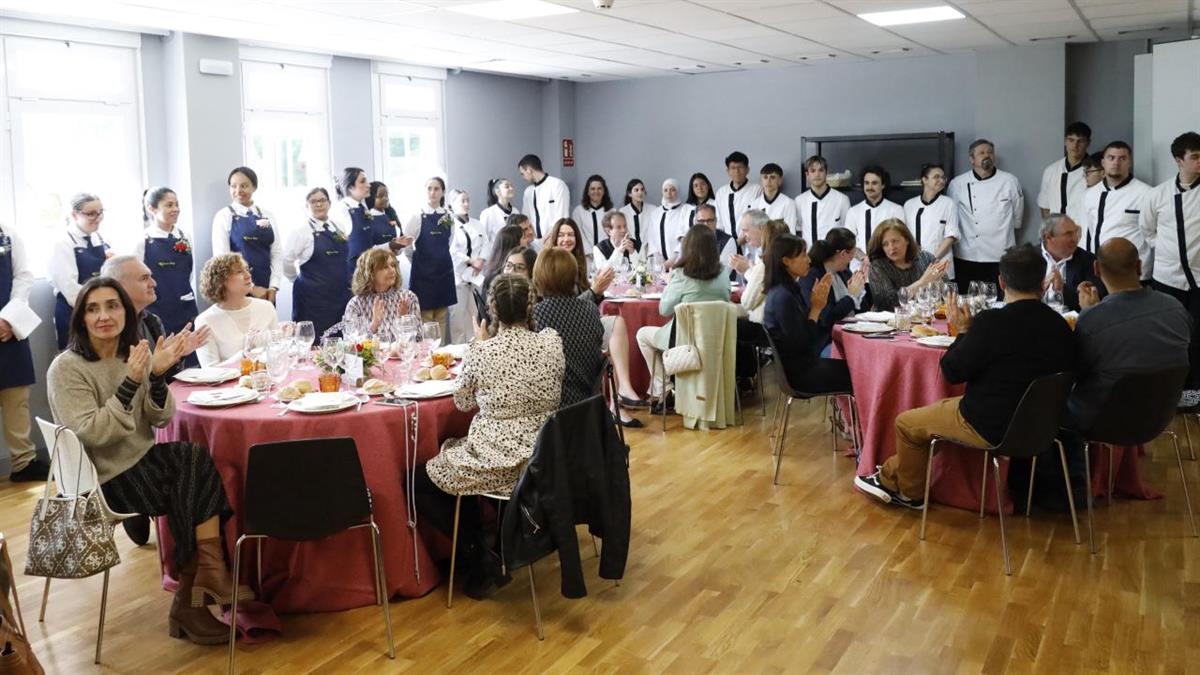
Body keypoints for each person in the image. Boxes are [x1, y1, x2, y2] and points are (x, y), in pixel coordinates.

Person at [47, 277, 251, 645]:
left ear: (126, 312)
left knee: (193, 463)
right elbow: (92, 434)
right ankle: (199, 585)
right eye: (93, 309)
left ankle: (201, 581)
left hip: (139, 461)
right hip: (102, 479)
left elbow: (160, 418)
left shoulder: (131, 355)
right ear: (81, 318)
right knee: (191, 472)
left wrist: (157, 376)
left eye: (112, 306)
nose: (104, 316)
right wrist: (131, 383)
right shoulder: (66, 369)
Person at [855, 244, 1075, 508]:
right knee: (934, 416)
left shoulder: (992, 322)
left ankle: (909, 494)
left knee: (907, 424)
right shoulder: (1060, 325)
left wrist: (962, 332)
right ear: (1042, 282)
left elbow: (951, 372)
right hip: (1044, 423)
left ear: (1001, 282)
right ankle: (889, 475)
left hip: (988, 423)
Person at [414, 273, 564, 599]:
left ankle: (477, 553)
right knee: (458, 461)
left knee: (419, 481)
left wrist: (479, 345)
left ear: (492, 310)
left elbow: (462, 402)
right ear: (530, 306)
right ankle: (487, 551)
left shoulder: (483, 352)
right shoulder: (552, 341)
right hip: (545, 457)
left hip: (499, 461)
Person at [1068, 238, 1191, 430]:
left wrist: (1089, 312)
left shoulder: (1093, 320)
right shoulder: (1175, 307)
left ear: (1096, 269)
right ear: (1140, 266)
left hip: (1106, 420)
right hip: (1161, 414)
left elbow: (1078, 372)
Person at [635, 226, 731, 404]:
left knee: (642, 335)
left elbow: (664, 310)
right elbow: (726, 299)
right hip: (717, 339)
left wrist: (670, 282)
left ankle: (664, 389)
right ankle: (665, 389)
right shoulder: (723, 273)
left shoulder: (681, 274)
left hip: (685, 341)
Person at [1141, 131, 1200, 388]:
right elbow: (1147, 230)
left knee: (1197, 341)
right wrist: (1167, 250)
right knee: (1169, 337)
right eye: (1195, 157)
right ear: (1179, 160)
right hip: (1167, 278)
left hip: (1199, 278)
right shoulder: (1157, 194)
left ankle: (1195, 394)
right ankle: (1171, 393)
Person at [762, 233, 852, 395]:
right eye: (803, 255)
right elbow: (806, 346)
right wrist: (816, 309)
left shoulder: (787, 290)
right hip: (801, 375)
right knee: (861, 373)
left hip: (804, 367)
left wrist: (816, 306)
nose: (809, 260)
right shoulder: (783, 297)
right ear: (786, 261)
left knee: (857, 367)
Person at [531, 247, 605, 407]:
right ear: (574, 277)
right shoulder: (590, 309)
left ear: (539, 278)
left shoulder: (535, 315)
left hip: (554, 407)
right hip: (589, 401)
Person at [0, 220, 45, 482]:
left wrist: (8, 318)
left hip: (8, 326)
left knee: (16, 399)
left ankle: (23, 463)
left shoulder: (7, 233)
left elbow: (23, 276)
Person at [948, 139, 1024, 292]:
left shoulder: (1009, 181)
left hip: (1001, 253)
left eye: (990, 152)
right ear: (972, 159)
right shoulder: (957, 184)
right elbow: (952, 217)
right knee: (969, 299)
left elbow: (1017, 218)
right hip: (968, 254)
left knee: (1000, 298)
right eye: (981, 153)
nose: (987, 155)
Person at [282, 187, 350, 338]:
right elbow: (286, 260)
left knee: (340, 340)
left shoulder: (338, 227)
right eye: (313, 201)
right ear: (307, 206)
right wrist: (295, 280)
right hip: (312, 300)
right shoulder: (301, 231)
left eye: (322, 200)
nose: (318, 204)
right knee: (312, 342)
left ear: (329, 203)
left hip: (339, 297)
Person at [210, 167, 282, 305]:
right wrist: (252, 288)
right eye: (233, 186)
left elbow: (277, 253)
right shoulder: (223, 216)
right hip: (237, 290)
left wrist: (274, 286)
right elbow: (221, 260)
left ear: (254, 187)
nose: (238, 191)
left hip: (266, 290)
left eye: (244, 186)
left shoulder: (268, 215)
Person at [193, 253, 279, 367]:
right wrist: (244, 355)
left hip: (269, 377)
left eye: (247, 270)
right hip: (230, 380)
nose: (248, 275)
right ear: (221, 280)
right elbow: (210, 370)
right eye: (239, 272)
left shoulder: (266, 307)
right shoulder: (205, 321)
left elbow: (279, 352)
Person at [50, 193, 113, 348]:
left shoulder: (99, 238)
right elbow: (69, 287)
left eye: (100, 212)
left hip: (101, 309)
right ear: (74, 215)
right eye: (91, 214)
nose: (98, 218)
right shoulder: (63, 242)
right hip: (75, 310)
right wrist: (96, 308)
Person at [135, 187, 199, 338]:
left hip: (185, 305)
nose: (175, 209)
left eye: (177, 204)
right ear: (152, 209)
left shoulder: (184, 236)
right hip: (157, 307)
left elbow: (188, 273)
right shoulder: (143, 240)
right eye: (169, 205)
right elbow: (136, 278)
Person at [1081, 141, 1152, 276]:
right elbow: (1087, 231)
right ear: (1103, 162)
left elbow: (1152, 234)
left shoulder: (1146, 194)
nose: (1116, 163)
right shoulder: (1090, 194)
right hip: (1098, 269)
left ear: (1129, 162)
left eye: (1122, 158)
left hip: (1132, 271)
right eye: (1111, 158)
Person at [403, 177, 457, 335]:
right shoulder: (417, 216)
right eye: (429, 188)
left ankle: (441, 350)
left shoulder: (449, 217)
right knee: (425, 317)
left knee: (441, 316)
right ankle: (429, 350)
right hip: (423, 275)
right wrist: (419, 263)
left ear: (443, 192)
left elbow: (449, 242)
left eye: (436, 189)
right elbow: (407, 245)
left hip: (443, 272)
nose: (432, 192)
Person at [800, 228, 868, 352]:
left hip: (852, 336)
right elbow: (827, 318)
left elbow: (860, 311)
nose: (853, 258)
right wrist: (851, 297)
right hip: (827, 341)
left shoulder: (845, 272)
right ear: (843, 253)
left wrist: (861, 288)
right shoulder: (813, 276)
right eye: (853, 253)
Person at [332, 167, 403, 279]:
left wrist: (391, 245)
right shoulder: (341, 210)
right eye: (362, 181)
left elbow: (369, 247)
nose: (368, 185)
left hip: (368, 273)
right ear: (350, 187)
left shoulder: (363, 208)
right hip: (352, 275)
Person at [866, 219, 949, 311]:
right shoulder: (877, 266)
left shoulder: (926, 258)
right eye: (885, 244)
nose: (891, 247)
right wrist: (922, 282)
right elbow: (887, 303)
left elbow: (949, 293)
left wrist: (939, 282)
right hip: (890, 319)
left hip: (924, 317)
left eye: (895, 241)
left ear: (907, 240)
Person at [902, 163, 960, 279]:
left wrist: (930, 260)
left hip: (940, 264)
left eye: (943, 177)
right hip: (913, 265)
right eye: (936, 177)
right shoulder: (909, 204)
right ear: (924, 180)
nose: (941, 180)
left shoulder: (948, 203)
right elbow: (904, 234)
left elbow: (951, 236)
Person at [343, 248, 421, 333]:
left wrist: (404, 321)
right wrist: (374, 325)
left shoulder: (408, 297)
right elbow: (351, 340)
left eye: (393, 265)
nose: (392, 270)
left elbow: (419, 337)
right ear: (370, 273)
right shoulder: (355, 304)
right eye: (385, 267)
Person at [447, 189, 487, 343]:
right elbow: (452, 251)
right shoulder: (450, 225)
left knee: (475, 316)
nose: (466, 204)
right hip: (458, 277)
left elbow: (486, 243)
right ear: (452, 204)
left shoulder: (477, 224)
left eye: (467, 200)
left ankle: (475, 347)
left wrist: (480, 260)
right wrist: (470, 261)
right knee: (458, 319)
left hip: (476, 275)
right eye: (462, 201)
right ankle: (458, 349)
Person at [1040, 214, 1102, 312]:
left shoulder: (1088, 260)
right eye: (1068, 234)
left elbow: (1094, 302)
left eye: (1076, 232)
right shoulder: (1029, 259)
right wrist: (1039, 290)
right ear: (1048, 237)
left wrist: (1062, 289)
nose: (1075, 239)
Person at [736, 213, 790, 323]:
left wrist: (748, 270)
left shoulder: (766, 264)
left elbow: (747, 303)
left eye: (746, 230)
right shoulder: (789, 260)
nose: (744, 236)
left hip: (763, 324)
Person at [845, 165, 904, 256]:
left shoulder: (896, 210)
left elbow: (898, 239)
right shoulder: (853, 211)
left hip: (887, 261)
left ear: (883, 185)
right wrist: (863, 258)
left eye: (874, 183)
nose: (870, 187)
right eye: (866, 183)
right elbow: (847, 241)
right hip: (859, 262)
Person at [1038, 121, 1092, 219]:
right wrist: (1050, 226)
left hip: (1083, 226)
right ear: (1065, 141)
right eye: (1071, 140)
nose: (1075, 145)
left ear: (1088, 143)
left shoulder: (1095, 172)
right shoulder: (1051, 170)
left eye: (1080, 141)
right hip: (1056, 226)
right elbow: (1045, 206)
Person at [795, 155, 851, 247]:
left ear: (827, 173)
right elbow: (799, 229)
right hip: (809, 253)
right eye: (813, 171)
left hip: (834, 253)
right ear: (807, 175)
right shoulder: (799, 200)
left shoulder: (842, 199)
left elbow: (847, 230)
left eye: (821, 170)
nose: (817, 174)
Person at [367, 180, 414, 288]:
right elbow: (368, 250)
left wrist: (400, 245)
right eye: (380, 196)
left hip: (393, 268)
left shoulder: (391, 216)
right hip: (376, 270)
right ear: (371, 198)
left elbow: (398, 252)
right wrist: (391, 245)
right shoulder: (367, 219)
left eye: (387, 195)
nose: (385, 198)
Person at [518, 154, 570, 242]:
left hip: (554, 239)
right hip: (534, 241)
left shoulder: (557, 185)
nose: (523, 178)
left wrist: (547, 239)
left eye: (522, 174)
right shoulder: (528, 192)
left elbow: (562, 216)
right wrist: (535, 241)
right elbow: (526, 218)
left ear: (529, 170)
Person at [714, 151, 762, 239]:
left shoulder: (757, 190)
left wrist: (742, 239)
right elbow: (719, 221)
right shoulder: (721, 192)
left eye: (740, 167)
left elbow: (758, 219)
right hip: (727, 243)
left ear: (747, 170)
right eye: (733, 168)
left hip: (750, 241)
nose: (737, 171)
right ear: (728, 171)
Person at [646, 178, 692, 269]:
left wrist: (672, 261)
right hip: (659, 264)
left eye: (672, 190)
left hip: (680, 263)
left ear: (677, 191)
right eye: (665, 190)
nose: (669, 193)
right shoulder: (655, 213)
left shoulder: (686, 210)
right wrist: (660, 261)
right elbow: (651, 239)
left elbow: (686, 237)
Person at [571, 174, 612, 254]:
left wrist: (602, 253)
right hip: (585, 254)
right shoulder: (578, 211)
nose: (596, 191)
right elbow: (579, 233)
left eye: (599, 188)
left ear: (604, 191)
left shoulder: (612, 211)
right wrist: (589, 252)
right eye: (592, 189)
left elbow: (612, 235)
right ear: (588, 192)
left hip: (606, 253)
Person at [750, 163, 799, 231]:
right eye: (765, 177)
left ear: (780, 181)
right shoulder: (755, 204)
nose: (768, 181)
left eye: (772, 177)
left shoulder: (788, 203)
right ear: (761, 181)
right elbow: (753, 231)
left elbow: (790, 231)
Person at [1067, 153, 1105, 228]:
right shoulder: (1084, 194)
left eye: (1088, 172)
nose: (1084, 175)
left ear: (1103, 172)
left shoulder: (1115, 195)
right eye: (1084, 172)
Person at [693, 203, 737, 268]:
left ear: (716, 221)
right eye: (701, 221)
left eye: (710, 220)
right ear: (695, 222)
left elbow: (724, 271)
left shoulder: (728, 241)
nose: (706, 224)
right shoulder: (689, 240)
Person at [479, 178, 520, 243]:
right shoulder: (487, 214)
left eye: (511, 186)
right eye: (507, 186)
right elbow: (483, 240)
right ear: (498, 192)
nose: (511, 188)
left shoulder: (515, 211)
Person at [620, 178, 656, 246]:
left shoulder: (653, 209)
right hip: (630, 248)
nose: (640, 192)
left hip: (650, 248)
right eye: (636, 190)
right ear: (629, 194)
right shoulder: (622, 212)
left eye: (642, 189)